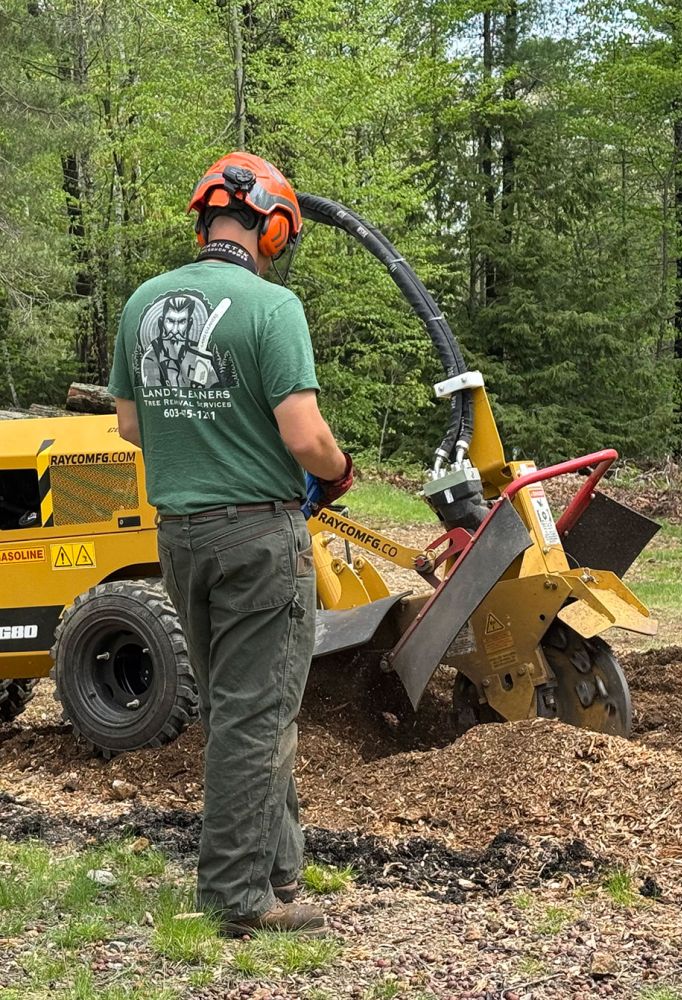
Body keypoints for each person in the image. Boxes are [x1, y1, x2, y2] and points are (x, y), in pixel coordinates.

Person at [107, 152, 353, 937]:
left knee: (233, 707)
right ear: (271, 226)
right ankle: (233, 896)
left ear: (207, 218)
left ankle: (278, 868)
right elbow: (304, 436)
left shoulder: (143, 302)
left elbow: (131, 423)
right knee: (258, 713)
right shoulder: (271, 307)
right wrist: (339, 471)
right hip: (256, 536)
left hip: (179, 538)